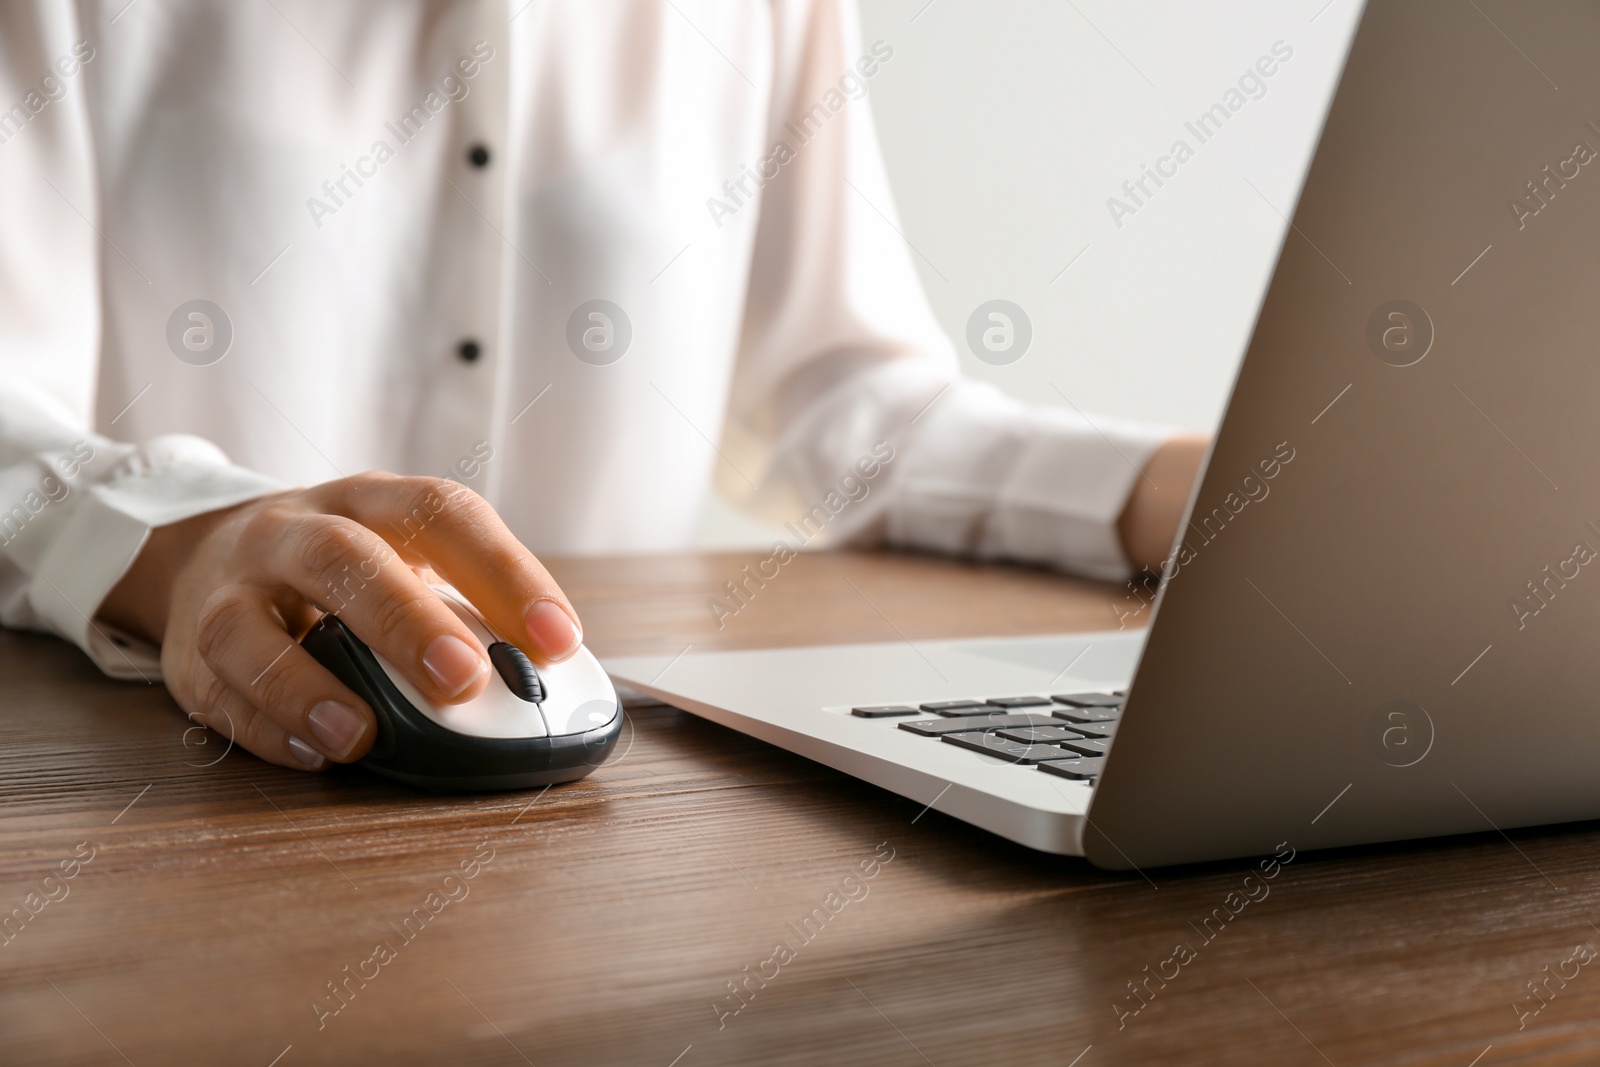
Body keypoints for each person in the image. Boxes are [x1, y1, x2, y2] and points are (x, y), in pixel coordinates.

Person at [0, 1, 1205, 774]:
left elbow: (850, 407)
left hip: (625, 802)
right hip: (162, 773)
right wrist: (182, 539)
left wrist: (1206, 484)